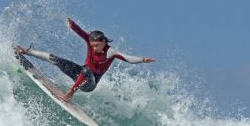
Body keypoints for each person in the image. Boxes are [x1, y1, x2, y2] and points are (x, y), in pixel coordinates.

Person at [14, 18, 156, 102]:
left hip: (89, 84)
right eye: (92, 46)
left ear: (103, 42)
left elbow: (127, 58)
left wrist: (143, 60)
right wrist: (72, 24)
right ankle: (26, 51)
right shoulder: (91, 42)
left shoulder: (110, 52)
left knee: (87, 70)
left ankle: (70, 93)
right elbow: (80, 32)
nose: (94, 49)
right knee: (55, 59)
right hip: (80, 73)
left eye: (97, 46)